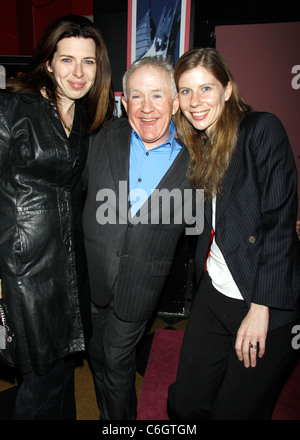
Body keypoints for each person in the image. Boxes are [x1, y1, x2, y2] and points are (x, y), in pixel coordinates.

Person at [167, 47, 300, 420]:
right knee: (186, 402)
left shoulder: (261, 129)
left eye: (206, 88)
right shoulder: (200, 142)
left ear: (228, 89)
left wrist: (262, 308)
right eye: (186, 91)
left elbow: (279, 223)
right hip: (215, 291)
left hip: (263, 299)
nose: (195, 102)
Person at [0, 15, 114, 420]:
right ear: (48, 63)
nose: (78, 73)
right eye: (67, 60)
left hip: (68, 264)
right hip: (24, 270)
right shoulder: (12, 108)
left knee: (63, 374)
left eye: (88, 62)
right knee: (40, 382)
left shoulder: (83, 118)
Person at [82, 56, 199, 420]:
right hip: (92, 277)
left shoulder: (198, 160)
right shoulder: (100, 138)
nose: (146, 108)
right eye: (136, 96)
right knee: (97, 357)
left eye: (157, 96)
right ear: (123, 101)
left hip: (140, 288)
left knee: (117, 362)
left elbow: (216, 225)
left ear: (175, 102)